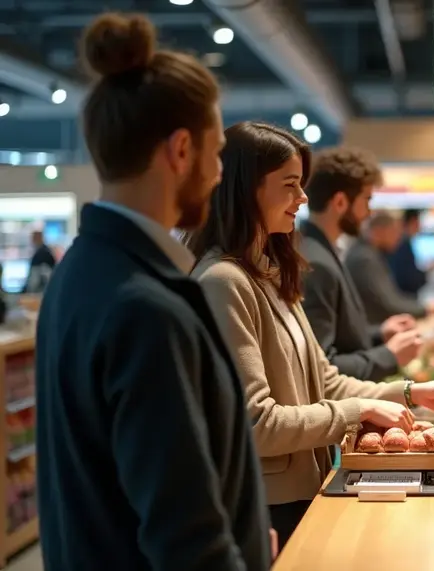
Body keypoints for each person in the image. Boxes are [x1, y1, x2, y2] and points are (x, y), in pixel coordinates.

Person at [34, 13, 272, 570]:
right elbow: (186, 537)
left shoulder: (80, 274)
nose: (218, 173)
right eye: (216, 154)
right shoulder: (146, 307)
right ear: (181, 150)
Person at [185, 122, 434, 548]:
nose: (303, 198)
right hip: (268, 506)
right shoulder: (223, 282)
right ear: (247, 189)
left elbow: (326, 381)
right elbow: (257, 424)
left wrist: (412, 392)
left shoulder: (267, 273)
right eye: (290, 185)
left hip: (307, 489)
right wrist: (359, 411)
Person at [300, 147, 422, 381]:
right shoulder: (317, 263)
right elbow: (320, 368)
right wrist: (389, 355)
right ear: (340, 202)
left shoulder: (321, 250)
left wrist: (380, 334)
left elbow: (340, 336)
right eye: (366, 200)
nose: (369, 212)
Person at [345, 210, 434, 326]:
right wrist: (426, 309)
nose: (398, 237)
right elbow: (389, 303)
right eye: (394, 231)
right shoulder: (366, 258)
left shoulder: (367, 253)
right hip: (373, 332)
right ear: (379, 231)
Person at [388, 208, 430, 296]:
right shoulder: (403, 244)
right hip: (405, 299)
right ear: (413, 221)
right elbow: (409, 279)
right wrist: (426, 273)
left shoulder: (403, 242)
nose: (420, 226)